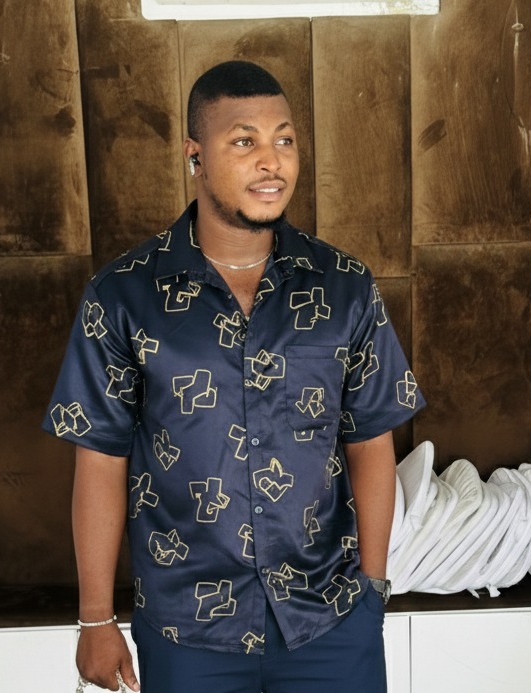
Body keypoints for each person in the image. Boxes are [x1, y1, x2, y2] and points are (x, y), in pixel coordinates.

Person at [43, 60, 425, 693]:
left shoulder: (345, 287)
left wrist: (372, 590)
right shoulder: (122, 296)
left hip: (328, 621)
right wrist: (95, 618)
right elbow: (101, 460)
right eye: (244, 141)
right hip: (188, 629)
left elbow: (370, 441)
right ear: (195, 155)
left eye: (284, 139)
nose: (271, 161)